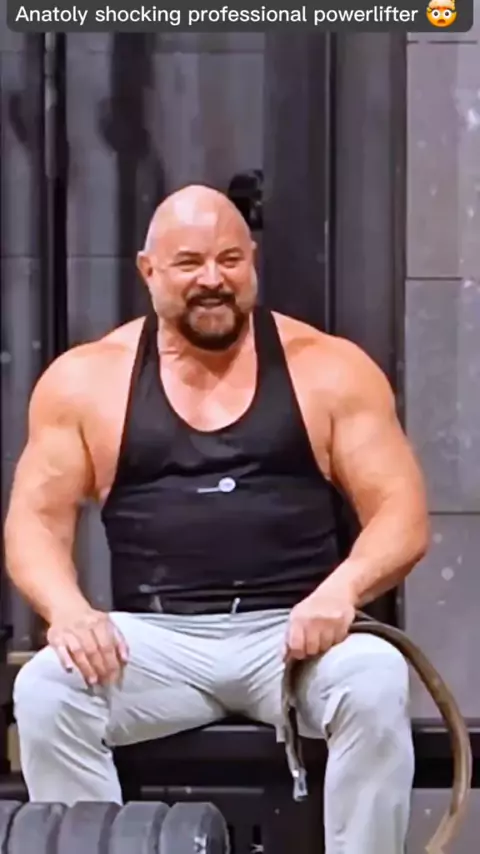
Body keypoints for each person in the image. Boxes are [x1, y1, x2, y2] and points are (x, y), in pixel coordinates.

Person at [4, 184, 429, 853]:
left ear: (252, 261)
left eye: (230, 259)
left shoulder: (329, 368)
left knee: (375, 678)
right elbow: (34, 522)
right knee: (46, 691)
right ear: (148, 271)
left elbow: (402, 514)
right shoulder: (87, 380)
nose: (213, 279)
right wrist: (68, 611)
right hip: (154, 641)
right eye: (189, 263)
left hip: (292, 638)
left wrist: (341, 592)